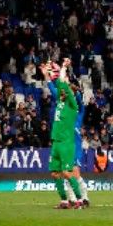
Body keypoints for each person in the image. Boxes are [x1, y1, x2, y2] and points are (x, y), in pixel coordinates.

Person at [42, 59, 86, 209]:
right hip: (56, 142)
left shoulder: (72, 105)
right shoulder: (59, 101)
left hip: (67, 143)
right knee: (55, 174)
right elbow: (54, 87)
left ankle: (80, 200)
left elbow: (62, 83)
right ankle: (64, 201)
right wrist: (46, 75)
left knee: (68, 173)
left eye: (64, 90)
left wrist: (63, 67)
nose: (61, 91)